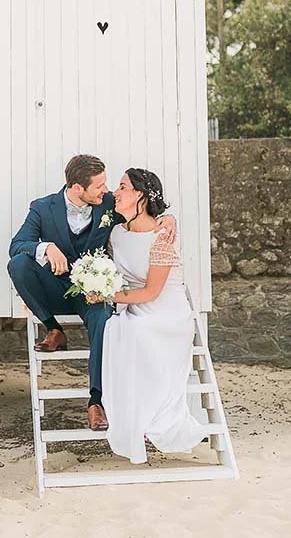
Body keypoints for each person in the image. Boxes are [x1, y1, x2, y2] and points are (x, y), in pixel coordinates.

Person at [7, 154, 175, 431]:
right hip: (56, 288)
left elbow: (144, 210)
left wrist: (169, 218)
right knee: (19, 264)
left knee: (102, 319)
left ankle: (96, 401)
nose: (106, 190)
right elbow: (18, 244)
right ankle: (53, 329)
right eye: (99, 185)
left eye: (107, 184)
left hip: (93, 293)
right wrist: (46, 247)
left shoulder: (109, 203)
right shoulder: (42, 208)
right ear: (77, 188)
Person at [99, 168, 207, 464]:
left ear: (141, 196)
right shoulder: (116, 233)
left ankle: (151, 419)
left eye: (122, 187)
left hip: (166, 312)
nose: (115, 193)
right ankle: (131, 413)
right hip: (135, 307)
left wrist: (106, 295)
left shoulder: (163, 235)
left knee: (136, 332)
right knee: (116, 330)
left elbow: (151, 292)